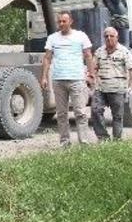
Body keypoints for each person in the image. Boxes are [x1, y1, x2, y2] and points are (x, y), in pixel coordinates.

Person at [40, 12, 95, 147]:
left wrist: (91, 74)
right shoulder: (53, 38)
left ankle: (84, 142)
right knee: (61, 114)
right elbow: (47, 58)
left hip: (76, 79)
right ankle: (65, 143)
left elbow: (88, 56)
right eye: (59, 22)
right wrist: (44, 77)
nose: (61, 24)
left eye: (64, 21)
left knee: (80, 112)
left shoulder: (80, 36)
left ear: (71, 21)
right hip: (58, 80)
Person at [91, 27, 132, 141]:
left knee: (117, 116)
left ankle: (117, 140)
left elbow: (131, 69)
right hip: (101, 88)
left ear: (117, 37)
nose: (109, 38)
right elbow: (93, 68)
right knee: (95, 111)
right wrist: (92, 80)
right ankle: (103, 138)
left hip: (117, 88)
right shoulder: (99, 51)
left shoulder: (124, 51)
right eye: (106, 36)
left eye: (111, 36)